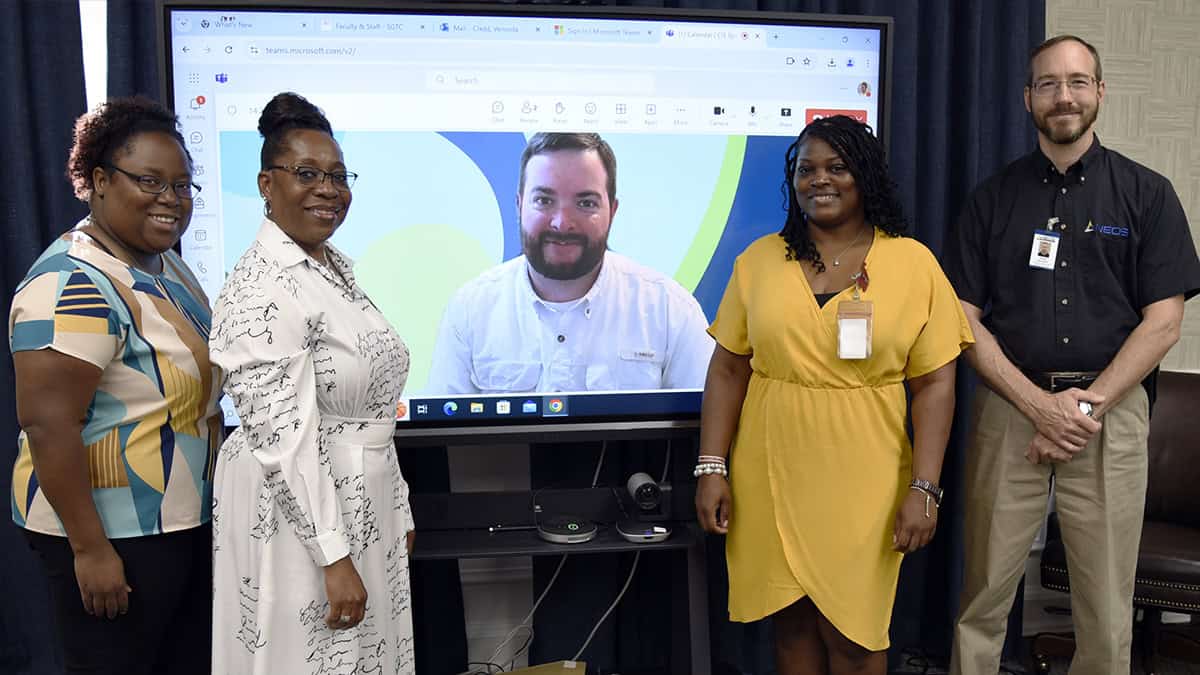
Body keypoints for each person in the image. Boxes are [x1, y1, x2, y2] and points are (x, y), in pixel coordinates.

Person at [946, 35, 1200, 675]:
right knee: (982, 599)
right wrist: (1039, 406)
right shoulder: (991, 199)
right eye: (1049, 84)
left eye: (1078, 82)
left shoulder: (1147, 194)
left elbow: (1164, 322)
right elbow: (962, 321)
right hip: (1011, 411)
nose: (1065, 96)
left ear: (1100, 93)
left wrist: (1081, 408)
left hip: (1109, 421)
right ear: (1028, 98)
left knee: (1105, 608)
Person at [695, 115, 973, 674]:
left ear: (864, 176)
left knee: (855, 635)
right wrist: (711, 468)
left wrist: (926, 488)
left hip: (866, 477)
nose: (818, 180)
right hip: (770, 471)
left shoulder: (913, 263)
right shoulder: (759, 261)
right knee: (791, 626)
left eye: (837, 167)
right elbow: (728, 371)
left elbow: (936, 385)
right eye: (805, 170)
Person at [9, 96, 220, 674]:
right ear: (99, 181)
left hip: (177, 523)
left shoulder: (165, 265)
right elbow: (49, 425)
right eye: (150, 181)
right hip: (112, 536)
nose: (170, 200)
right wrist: (89, 549)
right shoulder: (70, 284)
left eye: (182, 186)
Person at [209, 92, 416, 674]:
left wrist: (398, 510)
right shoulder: (261, 286)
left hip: (360, 501)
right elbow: (283, 436)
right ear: (266, 185)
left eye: (337, 175)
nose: (328, 189)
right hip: (301, 515)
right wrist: (333, 555)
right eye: (306, 174)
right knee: (316, 657)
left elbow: (373, 409)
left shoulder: (331, 266)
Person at [426, 131, 713, 395]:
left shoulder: (669, 309)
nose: (562, 223)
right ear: (519, 204)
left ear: (612, 211)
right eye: (544, 200)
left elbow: (703, 428)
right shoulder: (470, 310)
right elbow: (444, 436)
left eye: (585, 203)